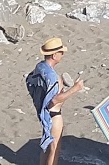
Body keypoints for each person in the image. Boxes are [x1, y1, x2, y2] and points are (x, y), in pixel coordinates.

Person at [26, 37, 85, 165]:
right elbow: (53, 101)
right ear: (54, 55)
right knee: (54, 150)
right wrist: (75, 89)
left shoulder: (40, 67)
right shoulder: (52, 77)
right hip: (53, 116)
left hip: (45, 114)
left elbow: (31, 82)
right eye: (61, 52)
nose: (62, 55)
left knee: (47, 148)